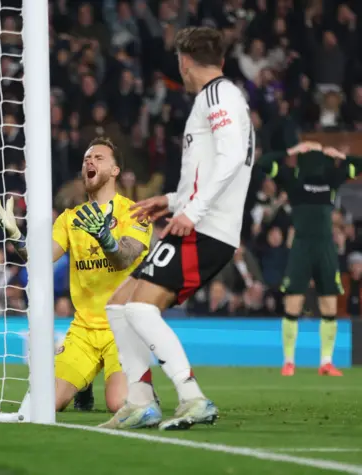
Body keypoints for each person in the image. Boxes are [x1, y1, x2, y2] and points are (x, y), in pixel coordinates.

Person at [99, 26, 255, 430]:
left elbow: (233, 157)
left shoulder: (218, 96)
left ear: (184, 62)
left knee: (139, 306)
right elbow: (208, 170)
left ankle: (192, 397)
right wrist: (170, 201)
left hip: (206, 227)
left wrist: (192, 212)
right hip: (197, 219)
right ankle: (140, 401)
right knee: (119, 302)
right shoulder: (218, 97)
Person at [0, 137, 159, 423]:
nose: (90, 162)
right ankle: (83, 382)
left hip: (123, 327)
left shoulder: (135, 212)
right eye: (86, 159)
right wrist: (16, 236)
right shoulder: (71, 218)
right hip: (83, 328)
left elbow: (125, 257)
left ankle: (143, 387)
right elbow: (39, 257)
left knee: (119, 404)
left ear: (115, 170)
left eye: (98, 157)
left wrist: (106, 238)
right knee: (46, 403)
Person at [257, 141, 362, 376]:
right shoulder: (293, 179)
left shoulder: (331, 178)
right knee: (293, 303)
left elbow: (360, 165)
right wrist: (290, 151)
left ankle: (326, 362)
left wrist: (338, 155)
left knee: (329, 306)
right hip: (302, 247)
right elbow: (264, 163)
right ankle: (289, 361)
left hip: (325, 247)